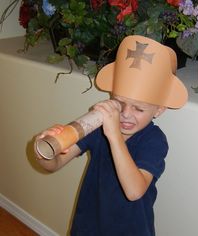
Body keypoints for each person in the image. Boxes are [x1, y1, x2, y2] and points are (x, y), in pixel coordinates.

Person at [34, 35, 188, 236]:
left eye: (139, 109)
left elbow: (134, 192)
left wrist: (114, 135)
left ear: (158, 110)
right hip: (88, 227)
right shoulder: (98, 128)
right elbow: (54, 165)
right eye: (119, 102)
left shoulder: (154, 140)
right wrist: (43, 150)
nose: (125, 114)